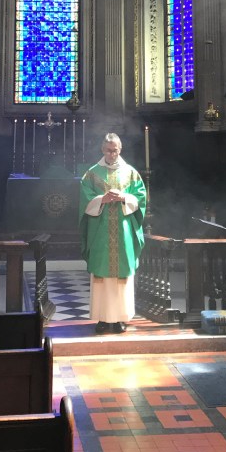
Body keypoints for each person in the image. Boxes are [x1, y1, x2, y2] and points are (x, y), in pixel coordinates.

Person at [79, 133, 146, 334]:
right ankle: (102, 319)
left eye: (115, 150)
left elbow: (140, 197)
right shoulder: (92, 173)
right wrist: (102, 199)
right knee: (102, 276)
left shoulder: (131, 173)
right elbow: (84, 198)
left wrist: (124, 197)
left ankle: (120, 319)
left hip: (123, 232)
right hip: (100, 231)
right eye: (108, 150)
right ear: (102, 150)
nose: (112, 154)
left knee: (121, 277)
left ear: (120, 149)